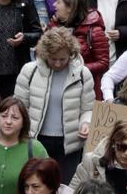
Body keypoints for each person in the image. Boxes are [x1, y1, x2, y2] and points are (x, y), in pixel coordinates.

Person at [14, 24, 95, 175]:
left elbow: (88, 109)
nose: (57, 63)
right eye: (53, 59)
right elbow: (19, 107)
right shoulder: (29, 70)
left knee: (64, 190)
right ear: (45, 54)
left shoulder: (83, 74)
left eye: (62, 59)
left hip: (70, 144)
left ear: (71, 54)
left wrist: (86, 123)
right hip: (36, 140)